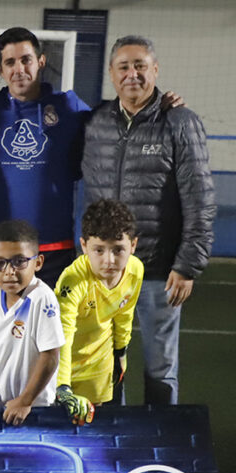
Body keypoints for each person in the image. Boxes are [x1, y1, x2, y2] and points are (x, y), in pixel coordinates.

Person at [81, 35, 215, 405]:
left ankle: (161, 446)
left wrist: (188, 263)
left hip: (159, 269)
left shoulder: (181, 122)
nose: (132, 74)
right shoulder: (94, 123)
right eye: (124, 66)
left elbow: (200, 197)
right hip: (106, 271)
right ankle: (115, 444)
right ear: (111, 73)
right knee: (105, 366)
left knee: (160, 369)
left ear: (155, 70)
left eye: (140, 65)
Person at [0, 27, 90, 287]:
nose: (19, 69)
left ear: (41, 62)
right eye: (10, 62)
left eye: (26, 60)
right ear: (1, 70)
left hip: (53, 247)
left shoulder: (68, 107)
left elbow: (113, 121)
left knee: (54, 327)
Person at [0, 220, 64, 425]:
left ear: (38, 262)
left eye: (19, 261)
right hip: (3, 405)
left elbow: (51, 355)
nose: (9, 271)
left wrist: (25, 401)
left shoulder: (42, 298)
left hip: (36, 407)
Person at [54, 199, 143, 425]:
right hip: (63, 365)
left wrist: (120, 353)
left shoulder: (135, 269)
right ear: (84, 246)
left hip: (99, 363)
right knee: (60, 425)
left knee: (95, 426)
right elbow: (62, 336)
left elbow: (125, 314)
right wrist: (62, 386)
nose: (109, 261)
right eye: (99, 250)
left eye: (118, 250)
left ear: (133, 245)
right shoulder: (72, 282)